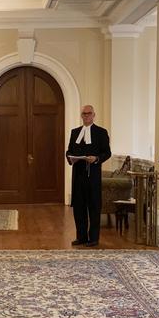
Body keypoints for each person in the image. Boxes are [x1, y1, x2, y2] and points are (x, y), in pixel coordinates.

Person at [66, 105, 111, 247]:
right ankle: (81, 237)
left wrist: (96, 158)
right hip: (78, 175)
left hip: (93, 175)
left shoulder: (101, 132)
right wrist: (70, 157)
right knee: (79, 208)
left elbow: (107, 152)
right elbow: (69, 151)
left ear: (93, 115)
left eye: (88, 113)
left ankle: (93, 238)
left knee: (94, 206)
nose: (86, 116)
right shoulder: (75, 132)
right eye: (83, 114)